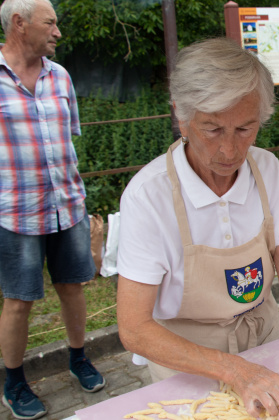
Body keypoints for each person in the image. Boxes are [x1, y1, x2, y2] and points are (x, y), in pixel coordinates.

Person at [115, 38, 279, 420]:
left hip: (264, 342)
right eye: (213, 129)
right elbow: (134, 328)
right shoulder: (148, 197)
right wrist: (236, 370)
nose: (230, 151)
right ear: (181, 116)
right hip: (188, 365)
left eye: (245, 129)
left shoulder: (266, 170)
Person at [0, 0, 106, 418]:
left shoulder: (60, 77)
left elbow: (69, 141)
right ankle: (14, 382)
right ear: (20, 24)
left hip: (67, 206)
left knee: (73, 288)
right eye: (51, 23)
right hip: (15, 213)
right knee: (18, 301)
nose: (58, 32)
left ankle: (78, 358)